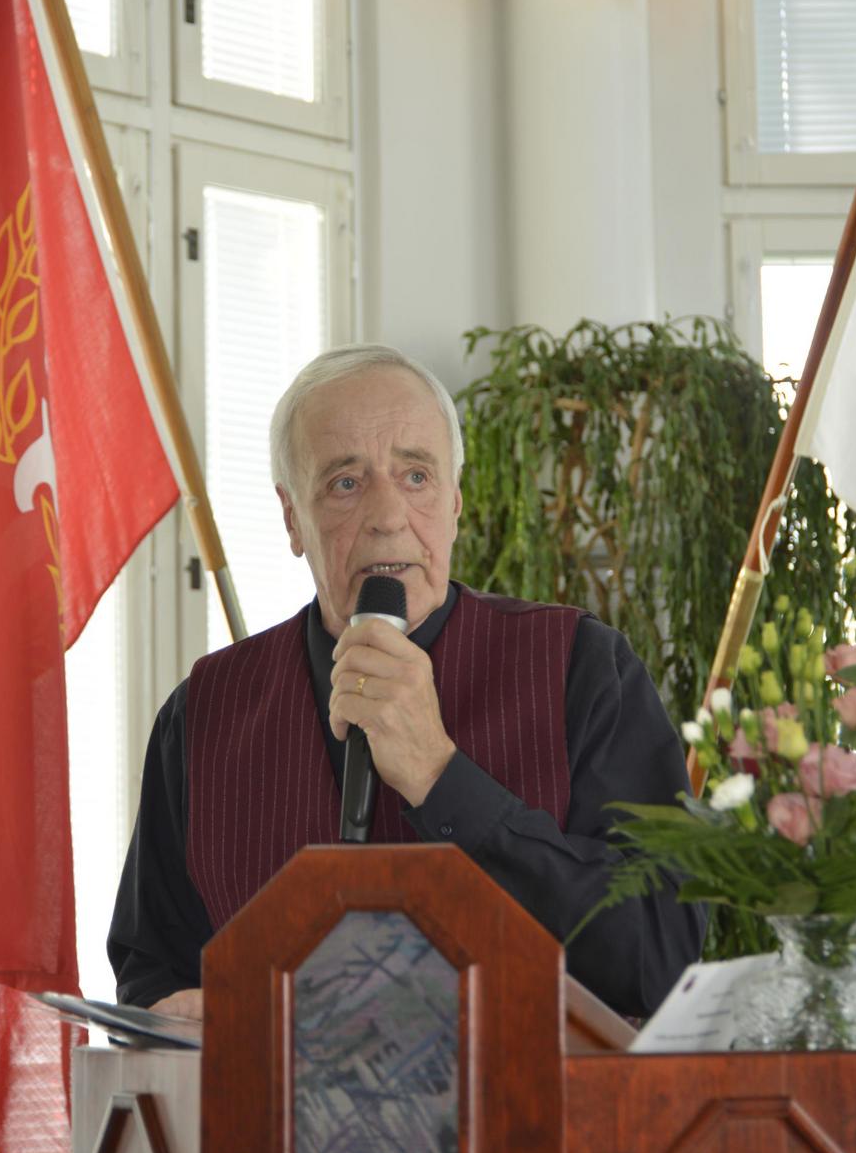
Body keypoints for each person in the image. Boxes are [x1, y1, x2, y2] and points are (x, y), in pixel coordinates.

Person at [108, 344, 704, 1019]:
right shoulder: (202, 713)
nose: (388, 516)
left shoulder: (581, 666)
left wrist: (443, 779)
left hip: (525, 1089)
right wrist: (175, 1015)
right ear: (292, 517)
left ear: (455, 500)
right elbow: (151, 973)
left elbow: (661, 956)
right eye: (345, 483)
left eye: (416, 476)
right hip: (272, 1090)